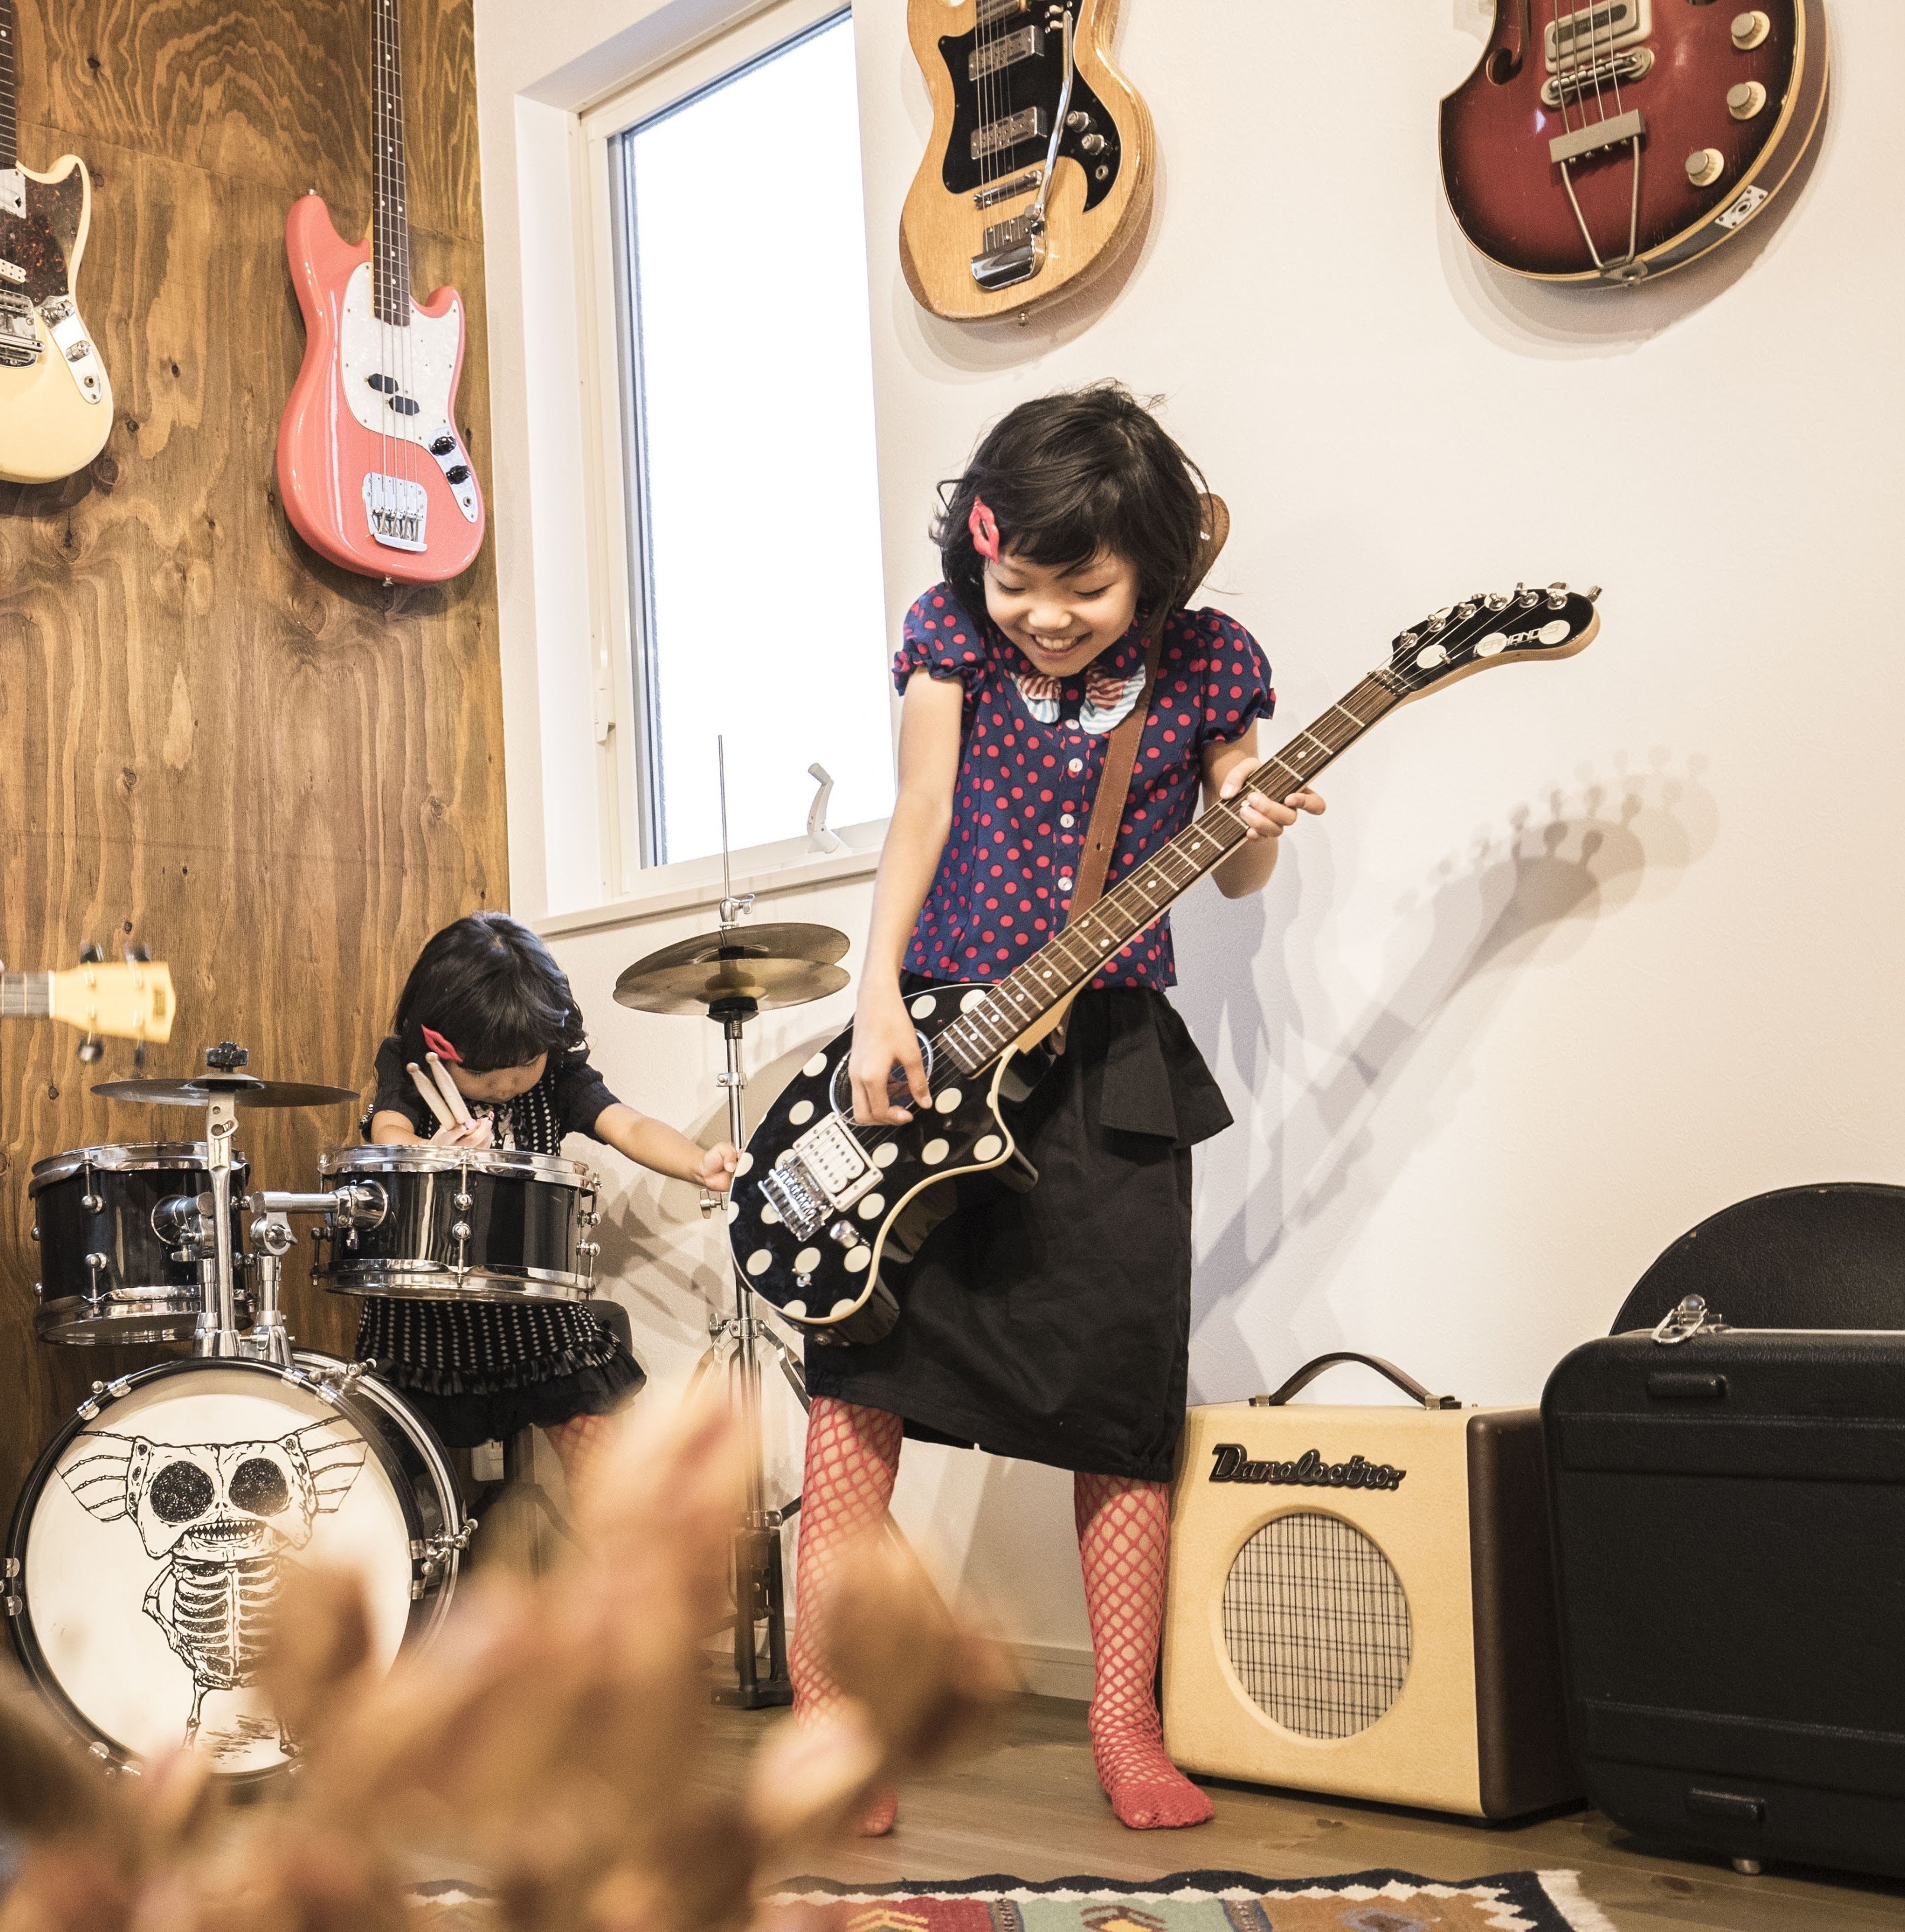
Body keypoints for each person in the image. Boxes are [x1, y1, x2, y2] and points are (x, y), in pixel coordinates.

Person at [791, 385, 1323, 1834]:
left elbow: (1238, 869)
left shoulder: (1211, 664)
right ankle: (826, 1708)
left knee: (1120, 1391)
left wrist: (1254, 820)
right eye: (1016, 581)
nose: (1040, 616)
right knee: (862, 1366)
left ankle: (1122, 1719)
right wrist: (877, 998)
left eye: (1082, 589)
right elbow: (920, 811)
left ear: (1151, 564)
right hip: (941, 1033)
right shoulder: (948, 632)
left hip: (1111, 1058)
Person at [360, 913, 742, 1491]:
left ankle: (611, 1548)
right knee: (393, 1479)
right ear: (435, 1042)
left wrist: (696, 1162)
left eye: (525, 1066)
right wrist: (432, 1153)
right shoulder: (408, 1065)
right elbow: (387, 1131)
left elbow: (628, 1124)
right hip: (423, 1318)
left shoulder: (557, 1073)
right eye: (482, 1073)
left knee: (601, 1459)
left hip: (535, 1314)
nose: (507, 1085)